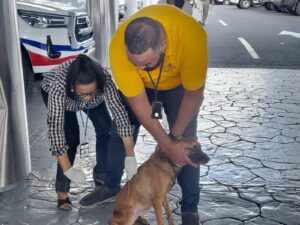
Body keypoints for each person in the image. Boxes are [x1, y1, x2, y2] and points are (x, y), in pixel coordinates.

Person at [109, 5, 207, 225]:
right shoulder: (117, 47)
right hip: (142, 90)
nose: (141, 69)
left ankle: (190, 208)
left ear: (163, 45)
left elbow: (194, 95)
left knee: (186, 144)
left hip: (178, 86)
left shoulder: (192, 37)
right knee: (119, 131)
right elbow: (140, 105)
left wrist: (174, 139)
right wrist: (165, 143)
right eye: (135, 64)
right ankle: (110, 187)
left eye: (146, 63)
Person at [41, 54, 139, 210]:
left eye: (91, 92)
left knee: (106, 130)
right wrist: (69, 170)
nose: (87, 99)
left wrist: (130, 156)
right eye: (83, 94)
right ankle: (62, 190)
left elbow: (120, 115)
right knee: (71, 138)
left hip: (87, 96)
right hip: (63, 99)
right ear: (73, 86)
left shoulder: (104, 80)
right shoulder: (58, 86)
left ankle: (101, 175)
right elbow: (56, 132)